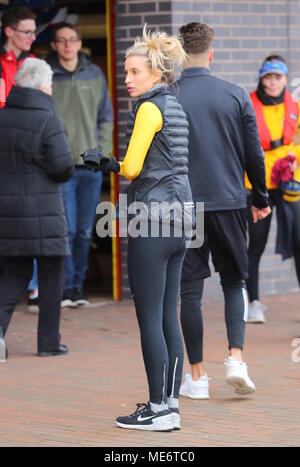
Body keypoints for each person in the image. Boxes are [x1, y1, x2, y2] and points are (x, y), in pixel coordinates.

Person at [82, 25, 193, 432]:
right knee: (168, 314)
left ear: (158, 74)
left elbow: (131, 168)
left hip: (152, 220)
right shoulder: (177, 106)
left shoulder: (149, 108)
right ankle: (171, 403)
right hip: (182, 221)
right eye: (126, 71)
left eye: (134, 72)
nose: (126, 79)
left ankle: (158, 408)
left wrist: (107, 163)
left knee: (149, 316)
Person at [170, 23, 270, 400]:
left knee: (190, 292)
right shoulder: (235, 95)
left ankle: (196, 378)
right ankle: (235, 358)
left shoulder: (168, 95)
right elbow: (254, 153)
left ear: (181, 54)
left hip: (186, 205)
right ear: (211, 53)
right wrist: (260, 197)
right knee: (234, 282)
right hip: (229, 202)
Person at [0, 58, 74, 361]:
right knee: (51, 275)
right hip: (44, 212)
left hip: (7, 211)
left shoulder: (2, 117)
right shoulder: (48, 118)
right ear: (44, 86)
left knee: (13, 274)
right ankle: (48, 343)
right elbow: (64, 167)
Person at [47, 22, 113, 308]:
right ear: (54, 45)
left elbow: (106, 117)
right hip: (62, 167)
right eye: (61, 41)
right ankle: (64, 287)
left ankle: (76, 288)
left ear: (79, 42)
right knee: (68, 229)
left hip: (90, 168)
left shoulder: (94, 73)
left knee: (86, 231)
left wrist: (101, 154)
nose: (67, 45)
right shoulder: (47, 76)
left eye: (72, 40)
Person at [246, 55, 300, 323]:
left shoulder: (295, 107)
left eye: (278, 77)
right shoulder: (249, 104)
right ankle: (253, 301)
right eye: (268, 77)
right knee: (256, 242)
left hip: (289, 181)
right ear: (262, 77)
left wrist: (293, 160)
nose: (273, 82)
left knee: (299, 239)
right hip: (258, 183)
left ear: (285, 79)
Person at [0, 5, 39, 311]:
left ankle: (33, 286)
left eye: (33, 31)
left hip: (29, 153)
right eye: (25, 31)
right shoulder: (0, 64)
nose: (31, 37)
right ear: (9, 31)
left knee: (31, 221)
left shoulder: (37, 63)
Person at [0, 6, 36, 108]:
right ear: (9, 32)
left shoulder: (34, 62)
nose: (33, 38)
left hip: (28, 122)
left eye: (34, 32)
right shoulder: (1, 62)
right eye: (27, 32)